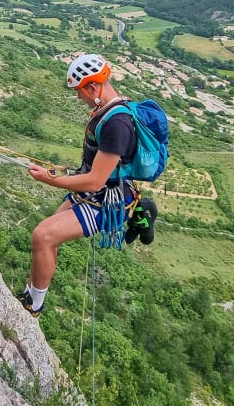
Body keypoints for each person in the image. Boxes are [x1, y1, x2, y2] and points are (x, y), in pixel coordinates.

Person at [21, 53, 157, 317]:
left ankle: (33, 306)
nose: (78, 97)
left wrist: (52, 180)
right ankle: (32, 293)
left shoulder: (117, 124)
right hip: (96, 192)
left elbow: (96, 181)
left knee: (43, 235)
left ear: (93, 87)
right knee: (46, 241)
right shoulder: (110, 111)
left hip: (104, 200)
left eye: (79, 91)